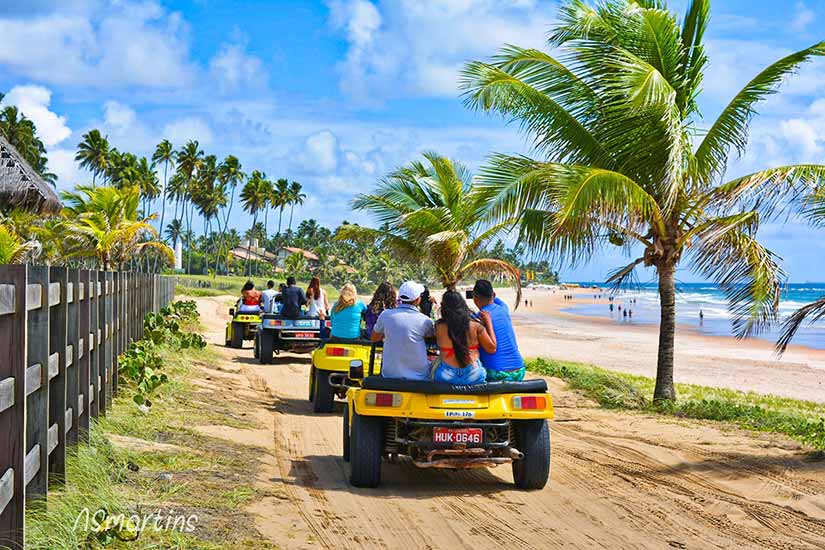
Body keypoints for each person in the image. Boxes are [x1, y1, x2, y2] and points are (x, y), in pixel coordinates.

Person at [372, 281, 434, 380]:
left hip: (389, 374)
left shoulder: (386, 315)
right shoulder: (425, 321)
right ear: (418, 300)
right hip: (419, 377)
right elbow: (431, 336)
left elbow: (374, 338)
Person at [431, 290, 496, 385]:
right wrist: (488, 322)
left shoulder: (438, 326)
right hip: (474, 374)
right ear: (463, 305)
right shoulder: (476, 326)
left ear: (444, 307)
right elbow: (492, 348)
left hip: (445, 375)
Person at [471, 279, 525, 381]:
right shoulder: (504, 308)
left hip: (497, 374)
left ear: (475, 299)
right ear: (493, 295)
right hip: (520, 371)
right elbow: (496, 299)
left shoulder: (477, 319)